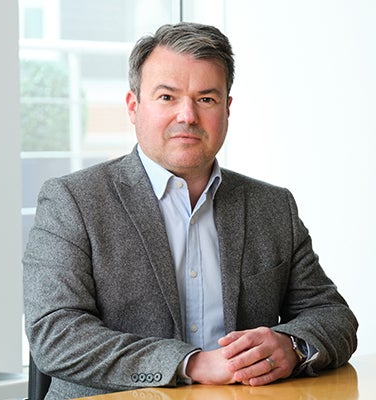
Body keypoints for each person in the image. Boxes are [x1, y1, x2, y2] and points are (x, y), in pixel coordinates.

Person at [23, 22, 358, 399]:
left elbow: (333, 315)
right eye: (167, 97)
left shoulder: (272, 206)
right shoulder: (72, 201)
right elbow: (55, 335)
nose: (188, 116)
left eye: (206, 99)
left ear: (227, 109)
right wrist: (190, 363)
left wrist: (292, 346)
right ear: (134, 106)